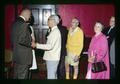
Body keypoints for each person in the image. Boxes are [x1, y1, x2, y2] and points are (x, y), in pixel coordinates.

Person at [32, 15, 61, 79]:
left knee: (51, 77)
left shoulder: (55, 32)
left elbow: (49, 46)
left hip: (52, 58)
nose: (47, 21)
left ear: (53, 21)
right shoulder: (54, 31)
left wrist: (36, 45)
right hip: (53, 57)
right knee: (53, 76)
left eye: (49, 19)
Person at [11, 8, 34, 79]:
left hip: (17, 55)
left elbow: (14, 39)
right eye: (30, 15)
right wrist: (31, 43)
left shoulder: (14, 23)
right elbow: (22, 40)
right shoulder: (23, 24)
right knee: (23, 77)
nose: (29, 17)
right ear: (27, 14)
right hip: (24, 57)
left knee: (16, 75)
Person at [57, 15, 68, 79]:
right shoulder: (51, 28)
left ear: (60, 19)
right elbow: (46, 37)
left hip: (62, 51)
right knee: (56, 67)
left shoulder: (64, 28)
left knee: (61, 68)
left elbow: (67, 40)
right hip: (54, 51)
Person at [27, 14, 37, 79]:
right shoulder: (20, 26)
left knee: (30, 68)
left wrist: (32, 42)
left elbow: (33, 38)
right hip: (23, 49)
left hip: (30, 48)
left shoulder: (30, 27)